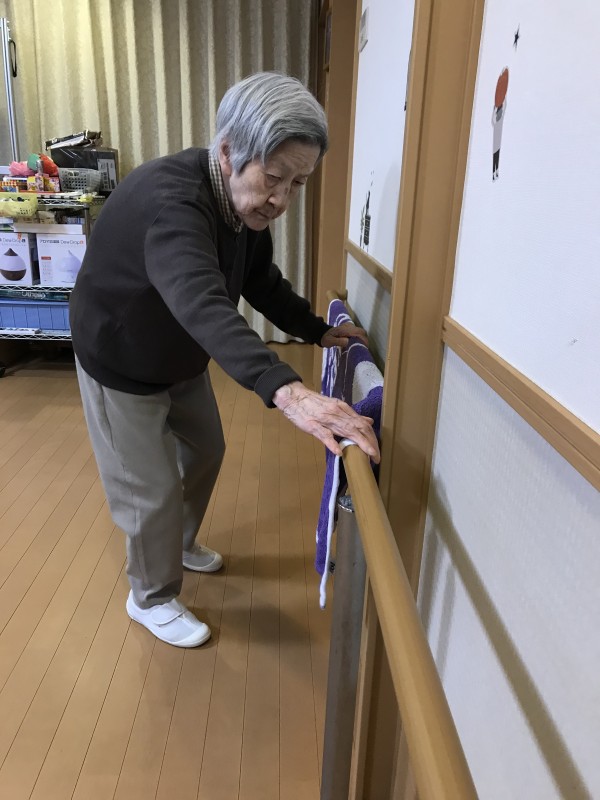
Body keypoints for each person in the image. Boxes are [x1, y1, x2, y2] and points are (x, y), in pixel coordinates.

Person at [70, 71, 380, 649]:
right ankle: (150, 595)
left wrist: (317, 331)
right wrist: (288, 391)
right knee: (149, 489)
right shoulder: (173, 205)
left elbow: (259, 281)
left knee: (206, 449)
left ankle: (176, 543)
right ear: (229, 151)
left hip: (177, 355)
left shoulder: (243, 208)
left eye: (298, 183)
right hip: (120, 357)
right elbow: (204, 303)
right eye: (274, 177)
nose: (281, 199)